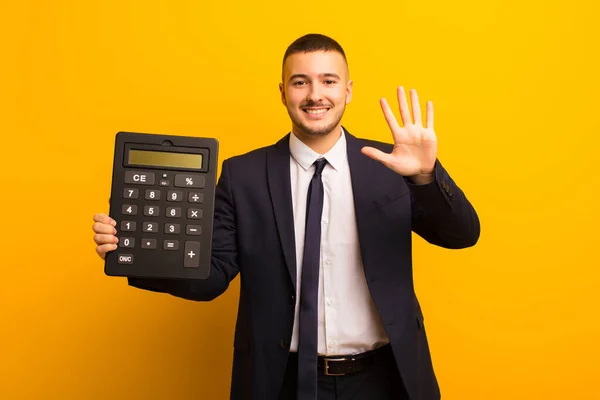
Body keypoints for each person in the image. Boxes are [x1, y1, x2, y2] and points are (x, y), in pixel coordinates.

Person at [92, 33, 480, 400]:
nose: (315, 95)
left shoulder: (391, 165)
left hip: (385, 379)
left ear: (348, 90)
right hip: (280, 381)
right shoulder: (242, 176)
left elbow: (461, 235)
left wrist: (424, 176)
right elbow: (210, 277)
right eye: (300, 82)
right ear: (282, 93)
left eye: (329, 81)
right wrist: (134, 251)